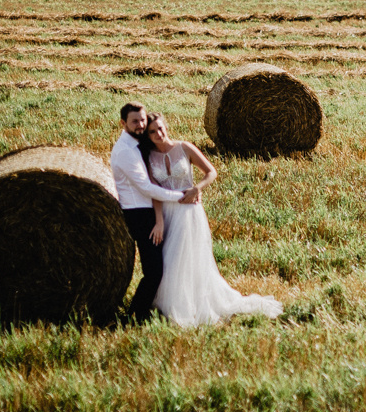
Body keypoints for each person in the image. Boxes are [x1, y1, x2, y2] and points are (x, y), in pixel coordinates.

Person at [144, 112, 282, 326]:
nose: (158, 133)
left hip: (190, 211)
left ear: (166, 126)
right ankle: (173, 303)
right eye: (152, 131)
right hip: (169, 213)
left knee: (191, 258)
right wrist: (159, 221)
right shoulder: (149, 157)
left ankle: (196, 303)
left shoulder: (185, 148)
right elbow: (155, 193)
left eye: (160, 128)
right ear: (147, 135)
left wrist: (197, 188)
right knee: (170, 261)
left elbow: (211, 172)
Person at [110, 102, 198, 320]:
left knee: (163, 265)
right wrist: (183, 196)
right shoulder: (125, 152)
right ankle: (135, 315)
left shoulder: (136, 146)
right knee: (154, 271)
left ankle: (150, 308)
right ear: (123, 123)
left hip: (149, 211)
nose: (140, 125)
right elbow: (146, 188)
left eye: (142, 120)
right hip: (139, 214)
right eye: (134, 121)